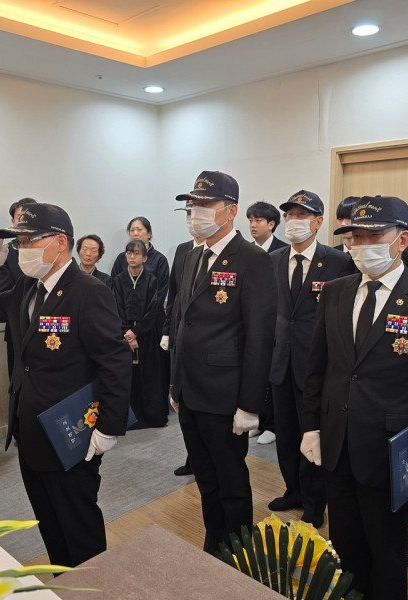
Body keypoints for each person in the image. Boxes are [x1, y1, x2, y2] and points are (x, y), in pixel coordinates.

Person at [300, 195, 408, 600]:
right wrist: (311, 426)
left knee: (387, 555)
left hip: (391, 455)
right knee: (345, 548)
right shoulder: (334, 292)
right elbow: (318, 367)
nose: (361, 245)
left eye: (373, 236)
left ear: (402, 240)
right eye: (355, 237)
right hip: (337, 445)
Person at [0, 203, 131, 567]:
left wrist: (108, 427)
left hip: (70, 431)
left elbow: (115, 361)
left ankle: (94, 587)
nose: (22, 249)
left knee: (78, 524)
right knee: (50, 521)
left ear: (60, 241)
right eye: (19, 243)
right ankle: (65, 583)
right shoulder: (28, 286)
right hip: (30, 428)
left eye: (29, 241)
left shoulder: (88, 291)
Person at [170, 170, 277, 553]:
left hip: (225, 395)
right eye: (192, 205)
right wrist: (175, 385)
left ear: (230, 211)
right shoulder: (190, 255)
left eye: (204, 204)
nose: (195, 211)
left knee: (231, 481)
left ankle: (238, 551)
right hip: (190, 391)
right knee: (205, 477)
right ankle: (214, 540)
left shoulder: (252, 259)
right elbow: (181, 320)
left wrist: (250, 405)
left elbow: (260, 337)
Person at [267, 190, 354, 528]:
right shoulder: (274, 259)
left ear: (318, 222)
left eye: (301, 216)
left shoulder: (338, 262)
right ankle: (293, 491)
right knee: (286, 434)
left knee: (312, 436)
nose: (293, 221)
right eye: (289, 215)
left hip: (316, 366)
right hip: (281, 362)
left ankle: (315, 503)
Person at [162, 204, 205, 477]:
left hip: (204, 344)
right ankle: (192, 459)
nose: (191, 220)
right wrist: (167, 330)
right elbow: (174, 293)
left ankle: (202, 461)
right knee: (183, 403)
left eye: (194, 213)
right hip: (179, 335)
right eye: (188, 215)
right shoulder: (182, 250)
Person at [113, 240, 168, 428]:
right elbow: (117, 307)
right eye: (129, 253)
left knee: (149, 375)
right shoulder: (118, 280)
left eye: (136, 253)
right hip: (125, 336)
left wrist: (136, 332)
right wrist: (126, 333)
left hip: (148, 334)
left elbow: (154, 308)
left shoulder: (152, 280)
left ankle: (150, 417)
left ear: (145, 258)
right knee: (128, 377)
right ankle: (130, 419)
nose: (132, 257)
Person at [246, 200, 287, 445]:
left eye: (258, 220)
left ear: (271, 224)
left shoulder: (283, 250)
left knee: (273, 375)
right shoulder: (247, 251)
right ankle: (259, 420)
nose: (253, 225)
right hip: (253, 320)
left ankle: (272, 424)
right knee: (255, 372)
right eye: (250, 220)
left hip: (277, 320)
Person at [0, 197, 37, 378]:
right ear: (13, 222)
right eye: (19, 218)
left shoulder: (51, 250)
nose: (24, 222)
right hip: (17, 331)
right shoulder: (4, 253)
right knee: (18, 384)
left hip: (50, 329)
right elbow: (2, 295)